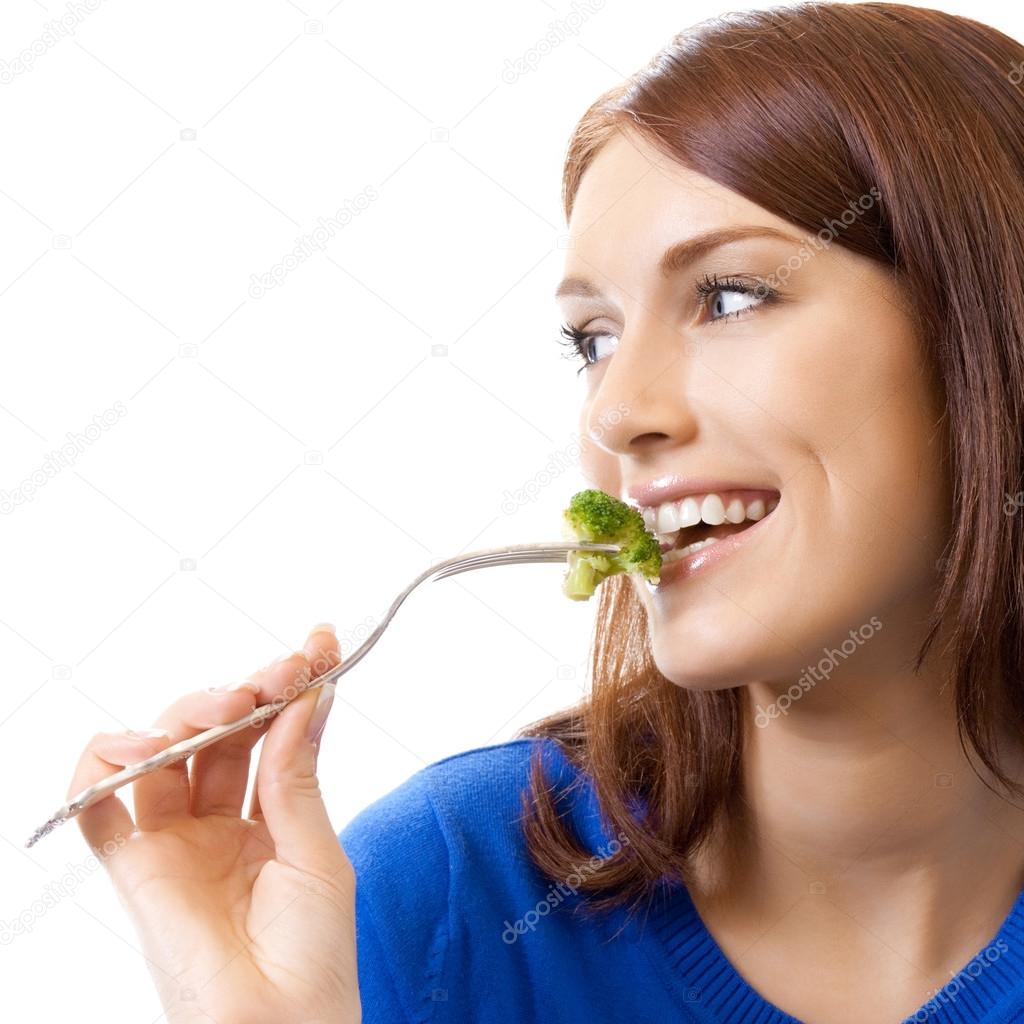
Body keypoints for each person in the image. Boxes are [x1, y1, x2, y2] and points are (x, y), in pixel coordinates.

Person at [68, 3, 1024, 1021]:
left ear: (986, 330)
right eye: (593, 340)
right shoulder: (433, 901)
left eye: (731, 297)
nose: (617, 412)